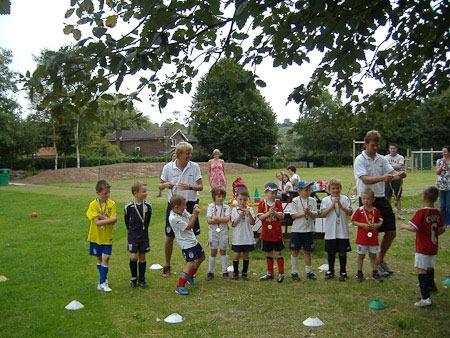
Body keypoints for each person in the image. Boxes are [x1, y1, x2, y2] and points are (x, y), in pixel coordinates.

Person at [353, 130, 407, 275]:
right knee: (372, 233)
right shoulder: (360, 160)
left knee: (391, 231)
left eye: (377, 145)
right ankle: (374, 267)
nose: (375, 148)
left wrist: (399, 175)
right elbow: (364, 179)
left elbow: (390, 175)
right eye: (373, 145)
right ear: (366, 144)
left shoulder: (382, 159)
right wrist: (384, 178)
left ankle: (380, 259)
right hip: (367, 201)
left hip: (381, 198)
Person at [159, 142, 203, 277]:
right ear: (178, 154)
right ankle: (167, 265)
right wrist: (166, 184)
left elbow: (200, 186)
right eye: (187, 153)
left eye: (190, 153)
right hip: (174, 206)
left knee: (191, 234)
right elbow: (160, 186)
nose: (189, 156)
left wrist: (190, 187)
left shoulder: (194, 166)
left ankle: (191, 266)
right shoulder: (168, 167)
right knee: (170, 236)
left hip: (189, 204)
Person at [400, 186, 445, 307]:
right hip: (433, 246)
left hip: (423, 247)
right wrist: (434, 234)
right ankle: (431, 286)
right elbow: (442, 228)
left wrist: (404, 226)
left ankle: (425, 298)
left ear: (424, 196)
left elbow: (414, 228)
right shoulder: (437, 212)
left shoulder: (421, 213)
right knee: (429, 267)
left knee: (421, 269)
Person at [169, 195, 205, 295]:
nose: (185, 208)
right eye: (183, 206)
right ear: (176, 207)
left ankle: (190, 276)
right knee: (191, 263)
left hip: (192, 240)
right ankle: (180, 286)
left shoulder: (181, 211)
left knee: (202, 257)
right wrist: (195, 214)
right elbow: (189, 226)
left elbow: (190, 218)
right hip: (186, 244)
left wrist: (194, 211)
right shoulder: (173, 218)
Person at [85, 180, 117, 292]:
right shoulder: (92, 205)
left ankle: (103, 283)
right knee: (99, 259)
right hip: (95, 236)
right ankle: (102, 280)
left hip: (107, 237)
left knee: (106, 258)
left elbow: (114, 220)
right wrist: (109, 219)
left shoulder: (112, 204)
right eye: (105, 193)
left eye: (109, 193)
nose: (107, 195)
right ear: (98, 192)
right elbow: (97, 223)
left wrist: (100, 216)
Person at [319, 178, 353, 281]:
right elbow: (322, 214)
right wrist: (333, 205)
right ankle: (330, 271)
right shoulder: (325, 200)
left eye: (337, 188)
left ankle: (343, 271)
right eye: (333, 188)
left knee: (343, 252)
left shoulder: (345, 199)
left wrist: (341, 206)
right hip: (330, 232)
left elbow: (350, 212)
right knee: (331, 252)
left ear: (340, 188)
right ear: (329, 190)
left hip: (342, 231)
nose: (335, 190)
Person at [351, 189, 385, 282]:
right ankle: (359, 272)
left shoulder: (376, 210)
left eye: (368, 199)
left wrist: (377, 225)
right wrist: (362, 225)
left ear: (373, 199)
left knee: (373, 256)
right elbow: (353, 221)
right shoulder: (359, 210)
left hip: (373, 238)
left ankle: (374, 272)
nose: (366, 201)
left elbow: (381, 220)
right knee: (360, 256)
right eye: (364, 199)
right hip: (362, 239)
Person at [124, 182, 152, 288]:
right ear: (135, 193)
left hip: (143, 236)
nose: (146, 193)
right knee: (133, 257)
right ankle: (133, 278)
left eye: (146, 191)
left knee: (142, 257)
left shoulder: (148, 206)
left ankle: (142, 279)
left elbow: (148, 220)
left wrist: (143, 229)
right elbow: (127, 221)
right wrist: (131, 230)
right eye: (143, 191)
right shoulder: (129, 207)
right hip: (133, 236)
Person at [289, 181, 318, 281]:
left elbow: (315, 216)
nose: (308, 191)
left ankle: (309, 271)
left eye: (309, 189)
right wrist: (303, 213)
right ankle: (294, 271)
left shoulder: (313, 200)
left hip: (308, 230)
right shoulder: (295, 200)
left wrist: (309, 212)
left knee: (307, 251)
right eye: (306, 190)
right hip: (297, 230)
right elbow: (293, 216)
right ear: (299, 191)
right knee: (295, 251)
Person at [258, 183, 285, 283]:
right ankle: (270, 273)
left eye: (275, 193)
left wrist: (275, 213)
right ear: (266, 193)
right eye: (271, 193)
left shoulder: (278, 203)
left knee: (278, 253)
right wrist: (269, 213)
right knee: (269, 253)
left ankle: (281, 273)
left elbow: (282, 217)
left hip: (276, 232)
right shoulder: (262, 203)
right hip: (266, 233)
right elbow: (260, 217)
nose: (273, 195)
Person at [230, 187, 256, 280]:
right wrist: (240, 216)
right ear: (236, 199)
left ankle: (244, 273)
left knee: (246, 254)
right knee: (236, 255)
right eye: (240, 199)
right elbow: (233, 224)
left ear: (247, 199)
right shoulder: (234, 210)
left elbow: (253, 222)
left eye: (244, 200)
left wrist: (248, 214)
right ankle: (235, 273)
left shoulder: (250, 209)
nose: (242, 201)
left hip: (247, 237)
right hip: (238, 237)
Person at [205, 186, 231, 280]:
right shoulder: (210, 207)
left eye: (223, 196)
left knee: (223, 250)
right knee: (213, 251)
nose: (221, 198)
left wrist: (216, 218)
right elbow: (209, 220)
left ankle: (225, 271)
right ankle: (210, 272)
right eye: (219, 196)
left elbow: (227, 219)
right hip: (213, 232)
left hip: (223, 231)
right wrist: (219, 220)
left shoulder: (227, 207)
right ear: (214, 196)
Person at [384, 143, 405, 218]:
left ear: (396, 149)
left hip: (397, 179)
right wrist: (394, 166)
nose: (392, 150)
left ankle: (399, 213)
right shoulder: (385, 157)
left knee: (398, 197)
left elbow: (399, 166)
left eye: (394, 148)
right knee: (387, 197)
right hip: (388, 179)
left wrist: (389, 165)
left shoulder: (400, 157)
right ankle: (389, 213)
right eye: (391, 148)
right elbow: (385, 167)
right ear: (389, 149)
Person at [436, 146, 450, 226]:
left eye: (445, 151)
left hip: (449, 185)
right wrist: (442, 165)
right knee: (442, 205)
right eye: (442, 152)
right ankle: (442, 221)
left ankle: (448, 222)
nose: (443, 153)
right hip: (441, 185)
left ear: (449, 152)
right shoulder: (439, 161)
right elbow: (437, 172)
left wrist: (446, 164)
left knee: (448, 205)